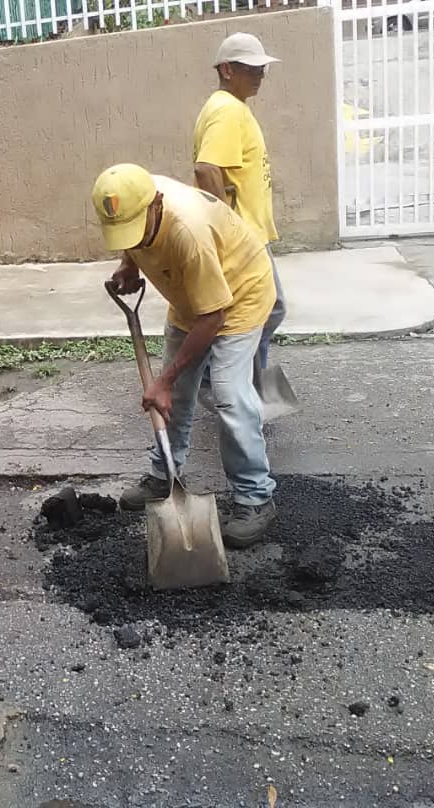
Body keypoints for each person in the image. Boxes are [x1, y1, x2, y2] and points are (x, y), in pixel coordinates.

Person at [92, 164, 277, 547]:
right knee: (174, 396)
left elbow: (213, 319)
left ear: (157, 205)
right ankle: (165, 475)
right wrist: (129, 262)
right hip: (192, 295)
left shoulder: (188, 232)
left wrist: (165, 379)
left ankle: (255, 497)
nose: (133, 237)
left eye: (137, 229)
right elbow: (134, 235)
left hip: (240, 293)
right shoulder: (132, 197)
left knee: (228, 393)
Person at [193, 32, 286, 382]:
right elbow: (206, 168)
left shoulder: (232, 107)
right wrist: (228, 228)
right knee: (268, 309)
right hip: (243, 236)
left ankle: (232, 378)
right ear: (227, 69)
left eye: (262, 68)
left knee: (260, 311)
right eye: (252, 69)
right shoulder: (227, 110)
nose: (260, 75)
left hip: (249, 231)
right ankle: (234, 381)